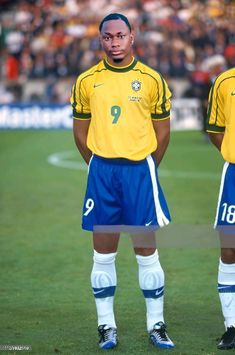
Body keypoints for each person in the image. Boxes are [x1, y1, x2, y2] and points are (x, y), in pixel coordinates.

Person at [71, 13, 175, 350]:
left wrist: (144, 166)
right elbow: (80, 130)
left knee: (146, 251)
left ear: (133, 36)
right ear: (100, 39)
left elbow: (162, 132)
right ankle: (106, 327)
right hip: (102, 172)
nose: (114, 43)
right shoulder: (87, 80)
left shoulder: (151, 79)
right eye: (107, 37)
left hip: (138, 172)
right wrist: (99, 163)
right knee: (103, 253)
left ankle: (156, 324)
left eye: (120, 36)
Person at [206, 66, 235, 350]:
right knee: (229, 249)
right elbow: (216, 130)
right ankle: (232, 325)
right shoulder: (225, 82)